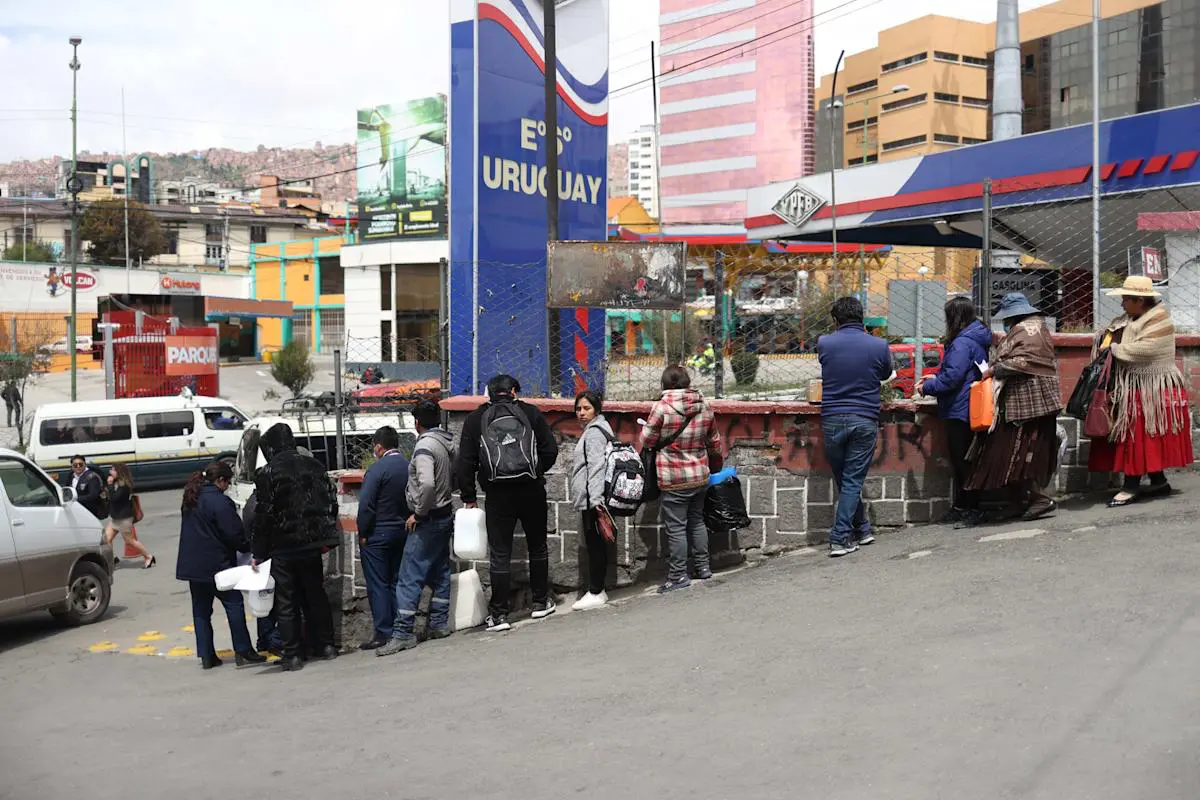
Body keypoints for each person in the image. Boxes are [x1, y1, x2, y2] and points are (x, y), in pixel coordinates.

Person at [457, 374, 560, 632]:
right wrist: (535, 471)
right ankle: (540, 602)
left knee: (500, 554)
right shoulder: (531, 413)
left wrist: (469, 497)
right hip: (531, 489)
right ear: (513, 391)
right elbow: (550, 451)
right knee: (538, 547)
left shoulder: (475, 419)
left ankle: (500, 615)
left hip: (497, 495)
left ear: (489, 393)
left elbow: (465, 462)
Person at [1088, 276, 1194, 506]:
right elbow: (1111, 335)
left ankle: (1130, 486)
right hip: (1135, 387)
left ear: (1140, 301)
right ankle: (1158, 482)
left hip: (1153, 389)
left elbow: (1143, 349)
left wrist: (1113, 348)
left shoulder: (1159, 320)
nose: (1122, 303)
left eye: (1126, 299)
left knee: (1136, 437)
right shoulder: (1130, 318)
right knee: (1143, 438)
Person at [250, 423, 341, 672]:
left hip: (283, 547)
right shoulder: (315, 466)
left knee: (286, 601)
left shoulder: (267, 473)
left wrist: (258, 552)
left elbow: (264, 515)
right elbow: (331, 503)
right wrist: (325, 537)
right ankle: (327, 646)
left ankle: (293, 655)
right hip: (311, 544)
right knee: (315, 594)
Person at [966, 293, 1062, 520]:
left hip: (1026, 403)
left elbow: (1022, 361)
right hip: (1033, 401)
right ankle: (1020, 500)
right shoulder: (1038, 328)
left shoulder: (1027, 331)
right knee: (1014, 452)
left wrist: (994, 369)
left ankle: (1038, 498)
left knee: (1016, 452)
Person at [377, 401, 458, 656]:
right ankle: (438, 623)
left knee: (409, 577)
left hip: (428, 519)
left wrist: (419, 514)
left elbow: (428, 484)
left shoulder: (424, 446)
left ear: (417, 423)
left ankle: (402, 633)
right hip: (444, 515)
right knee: (439, 569)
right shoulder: (447, 442)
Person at [816, 297, 893, 557]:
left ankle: (861, 528)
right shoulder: (879, 345)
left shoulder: (825, 343)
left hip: (832, 419)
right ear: (862, 318)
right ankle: (840, 538)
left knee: (845, 479)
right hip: (864, 418)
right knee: (851, 481)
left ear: (836, 321)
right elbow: (885, 374)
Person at [639, 365, 723, 592]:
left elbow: (647, 440)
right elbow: (714, 440)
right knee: (697, 521)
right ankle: (703, 567)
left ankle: (677, 576)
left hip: (674, 477)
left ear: (665, 384)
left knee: (676, 527)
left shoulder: (662, 407)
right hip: (700, 475)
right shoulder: (704, 405)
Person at [176, 462, 266, 670]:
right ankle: (243, 650)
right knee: (234, 604)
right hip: (218, 565)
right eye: (227, 482)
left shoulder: (191, 498)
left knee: (200, 610)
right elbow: (234, 533)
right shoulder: (219, 502)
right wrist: (248, 547)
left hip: (192, 566)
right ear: (220, 480)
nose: (228, 486)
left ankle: (207, 655)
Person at [916, 297, 993, 529]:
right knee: (965, 460)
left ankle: (972, 508)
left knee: (963, 461)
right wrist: (935, 377)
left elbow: (952, 378)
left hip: (960, 408)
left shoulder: (961, 343)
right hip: (971, 405)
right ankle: (963, 505)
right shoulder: (975, 338)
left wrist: (926, 387)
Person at [356, 426, 412, 650]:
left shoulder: (377, 470)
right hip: (403, 530)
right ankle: (401, 627)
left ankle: (384, 632)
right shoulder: (409, 467)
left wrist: (363, 532)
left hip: (378, 534)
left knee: (378, 583)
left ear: (378, 446)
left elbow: (366, 505)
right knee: (397, 581)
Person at [570, 390, 613, 610]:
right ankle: (596, 589)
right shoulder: (593, 430)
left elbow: (597, 466)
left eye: (586, 408)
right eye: (578, 409)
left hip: (592, 499)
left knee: (595, 545)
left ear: (596, 409)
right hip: (590, 498)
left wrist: (596, 501)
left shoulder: (594, 433)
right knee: (594, 544)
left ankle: (596, 591)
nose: (581, 413)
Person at [104, 464, 155, 568]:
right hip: (116, 517)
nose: (110, 472)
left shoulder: (125, 485)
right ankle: (112, 559)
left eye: (113, 470)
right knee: (106, 539)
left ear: (119, 472)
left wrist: (109, 484)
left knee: (130, 541)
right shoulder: (116, 482)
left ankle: (148, 556)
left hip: (124, 518)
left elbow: (114, 498)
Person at [69, 455, 108, 520]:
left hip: (91, 512)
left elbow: (93, 495)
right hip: (77, 511)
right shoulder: (71, 476)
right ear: (72, 466)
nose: (78, 466)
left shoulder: (91, 477)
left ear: (85, 464)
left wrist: (75, 500)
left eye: (80, 464)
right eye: (75, 465)